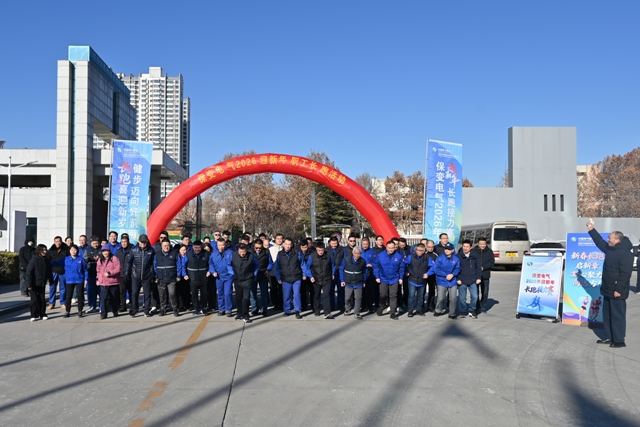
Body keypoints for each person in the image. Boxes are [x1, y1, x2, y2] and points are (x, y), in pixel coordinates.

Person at [587, 220, 633, 348]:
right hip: (607, 289)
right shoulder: (610, 249)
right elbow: (599, 242)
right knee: (607, 315)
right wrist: (591, 229)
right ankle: (609, 337)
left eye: (610, 238)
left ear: (617, 240)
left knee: (617, 315)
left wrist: (619, 290)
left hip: (617, 291)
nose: (608, 239)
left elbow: (625, 274)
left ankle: (619, 340)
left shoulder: (626, 254)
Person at [51, 244, 88, 318]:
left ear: (77, 251)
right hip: (69, 280)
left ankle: (80, 310)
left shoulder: (81, 259)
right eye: (72, 250)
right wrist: (45, 262)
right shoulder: (65, 259)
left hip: (79, 280)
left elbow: (85, 270)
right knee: (68, 296)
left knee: (80, 296)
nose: (73, 251)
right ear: (69, 251)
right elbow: (56, 263)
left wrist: (86, 279)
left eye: (75, 250)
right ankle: (67, 311)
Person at [125, 234, 156, 317]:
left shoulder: (151, 250)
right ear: (139, 242)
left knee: (147, 294)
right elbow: (128, 262)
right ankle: (135, 309)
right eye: (142, 242)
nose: (143, 243)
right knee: (134, 293)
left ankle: (146, 310)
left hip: (147, 276)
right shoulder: (133, 250)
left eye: (145, 242)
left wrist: (152, 273)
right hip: (135, 276)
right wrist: (127, 273)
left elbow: (153, 263)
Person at [373, 241, 405, 320]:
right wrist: (377, 277)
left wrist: (401, 278)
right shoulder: (380, 255)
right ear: (386, 247)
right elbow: (376, 266)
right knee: (383, 295)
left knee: (393, 295)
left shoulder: (399, 256)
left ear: (395, 247)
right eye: (389, 248)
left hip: (394, 279)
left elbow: (401, 268)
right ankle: (382, 306)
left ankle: (392, 312)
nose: (391, 250)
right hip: (383, 278)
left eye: (392, 248)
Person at [275, 237, 305, 319]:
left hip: (296, 277)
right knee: (286, 295)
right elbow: (277, 267)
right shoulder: (280, 254)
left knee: (297, 294)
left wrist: (304, 274)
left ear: (292, 245)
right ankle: (287, 310)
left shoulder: (297, 253)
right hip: (285, 278)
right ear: (283, 244)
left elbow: (302, 264)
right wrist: (278, 277)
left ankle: (297, 310)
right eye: (286, 244)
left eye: (289, 244)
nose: (288, 246)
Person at [431, 243, 460, 319]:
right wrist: (445, 275)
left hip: (452, 281)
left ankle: (452, 313)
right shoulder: (440, 258)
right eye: (446, 249)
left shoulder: (456, 259)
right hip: (441, 280)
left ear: (452, 250)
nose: (447, 250)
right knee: (440, 298)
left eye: (449, 249)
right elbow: (436, 269)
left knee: (453, 298)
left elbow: (457, 268)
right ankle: (438, 310)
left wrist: (452, 274)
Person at [182, 240, 211, 316]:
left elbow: (211, 264)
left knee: (204, 294)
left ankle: (203, 308)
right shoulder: (188, 254)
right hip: (192, 278)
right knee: (194, 295)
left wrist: (209, 271)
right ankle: (196, 309)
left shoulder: (206, 254)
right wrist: (184, 274)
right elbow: (183, 265)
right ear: (193, 247)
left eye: (199, 248)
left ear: (202, 247)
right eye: (195, 248)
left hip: (204, 277)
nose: (197, 249)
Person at [231, 243, 258, 323]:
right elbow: (229, 265)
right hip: (237, 279)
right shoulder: (233, 255)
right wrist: (232, 273)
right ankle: (239, 313)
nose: (242, 253)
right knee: (238, 297)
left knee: (246, 298)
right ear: (238, 250)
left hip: (247, 279)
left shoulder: (251, 256)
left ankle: (246, 315)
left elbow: (256, 265)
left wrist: (254, 274)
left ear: (246, 250)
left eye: (244, 251)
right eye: (240, 251)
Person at [307, 241, 335, 319]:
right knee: (316, 295)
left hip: (327, 278)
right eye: (319, 250)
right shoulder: (312, 256)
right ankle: (317, 310)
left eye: (322, 250)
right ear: (316, 249)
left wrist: (332, 274)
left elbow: (333, 265)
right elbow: (307, 267)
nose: (320, 252)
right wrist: (310, 276)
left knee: (326, 295)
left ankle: (327, 312)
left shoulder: (329, 255)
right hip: (316, 278)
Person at [26, 244, 53, 321]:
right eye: (43, 250)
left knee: (42, 299)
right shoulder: (34, 260)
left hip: (42, 283)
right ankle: (33, 315)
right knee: (34, 300)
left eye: (45, 250)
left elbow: (49, 271)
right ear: (39, 251)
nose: (45, 251)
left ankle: (42, 314)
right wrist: (29, 284)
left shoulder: (46, 260)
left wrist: (51, 281)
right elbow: (29, 273)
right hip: (33, 284)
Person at [154, 239, 181, 317]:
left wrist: (178, 275)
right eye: (164, 246)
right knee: (162, 295)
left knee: (172, 294)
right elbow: (154, 266)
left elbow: (178, 265)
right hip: (161, 278)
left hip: (172, 278)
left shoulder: (174, 253)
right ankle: (163, 309)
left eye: (168, 245)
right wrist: (156, 276)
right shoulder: (157, 254)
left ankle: (175, 309)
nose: (166, 247)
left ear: (170, 245)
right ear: (161, 246)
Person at [456, 240, 482, 319]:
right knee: (462, 298)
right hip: (462, 280)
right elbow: (455, 268)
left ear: (471, 247)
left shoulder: (475, 255)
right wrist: (458, 279)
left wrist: (478, 278)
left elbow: (478, 267)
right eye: (464, 246)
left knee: (475, 296)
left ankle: (472, 310)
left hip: (473, 280)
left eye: (467, 246)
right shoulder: (458, 256)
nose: (465, 248)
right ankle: (462, 311)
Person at [404, 243, 431, 317]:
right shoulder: (411, 257)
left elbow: (433, 267)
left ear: (424, 251)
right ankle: (410, 310)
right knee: (411, 296)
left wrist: (428, 273)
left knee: (420, 296)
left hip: (422, 280)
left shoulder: (428, 258)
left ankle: (419, 309)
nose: (418, 251)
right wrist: (407, 271)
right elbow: (404, 264)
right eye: (417, 250)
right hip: (412, 279)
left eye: (420, 250)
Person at [210, 238, 234, 317]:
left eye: (222, 245)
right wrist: (213, 271)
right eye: (219, 245)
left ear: (225, 245)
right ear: (217, 246)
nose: (221, 247)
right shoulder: (213, 254)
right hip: (219, 277)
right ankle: (221, 309)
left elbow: (234, 263)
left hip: (228, 277)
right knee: (220, 294)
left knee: (227, 293)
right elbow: (211, 264)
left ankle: (228, 310)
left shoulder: (230, 253)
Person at [340, 247, 366, 319]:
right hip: (348, 282)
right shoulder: (346, 260)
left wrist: (364, 281)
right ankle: (347, 309)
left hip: (358, 282)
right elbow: (341, 270)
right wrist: (342, 280)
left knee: (358, 298)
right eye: (355, 253)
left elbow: (364, 272)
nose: (357, 255)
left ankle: (357, 312)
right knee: (347, 298)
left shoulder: (363, 261)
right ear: (353, 253)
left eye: (359, 253)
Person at [96, 244, 121, 319]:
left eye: (106, 251)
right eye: (103, 251)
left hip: (113, 282)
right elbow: (98, 271)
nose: (105, 253)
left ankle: (115, 311)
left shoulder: (114, 258)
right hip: (103, 283)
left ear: (109, 251)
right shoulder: (100, 260)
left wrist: (110, 273)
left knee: (113, 298)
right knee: (103, 298)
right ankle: (104, 314)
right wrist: (98, 279)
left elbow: (118, 268)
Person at [252, 238, 273, 316]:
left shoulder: (266, 252)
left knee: (264, 293)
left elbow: (270, 263)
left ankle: (264, 309)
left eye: (260, 248)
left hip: (263, 274)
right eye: (256, 248)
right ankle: (254, 309)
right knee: (253, 293)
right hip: (253, 275)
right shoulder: (250, 252)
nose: (258, 249)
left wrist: (268, 269)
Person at [474, 238, 495, 314]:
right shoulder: (473, 251)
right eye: (481, 244)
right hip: (475, 275)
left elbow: (492, 262)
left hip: (485, 275)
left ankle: (483, 306)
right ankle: (477, 306)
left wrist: (484, 267)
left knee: (485, 292)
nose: (482, 245)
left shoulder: (489, 251)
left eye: (484, 244)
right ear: (478, 244)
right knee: (475, 293)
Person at [47, 236, 69, 310]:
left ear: (61, 241)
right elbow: (48, 260)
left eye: (59, 241)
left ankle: (63, 302)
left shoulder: (66, 249)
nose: (58, 243)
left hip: (63, 271)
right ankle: (51, 303)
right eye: (56, 241)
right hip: (53, 271)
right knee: (52, 287)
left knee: (63, 288)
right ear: (54, 242)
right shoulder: (51, 250)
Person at [360, 237, 378, 313]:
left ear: (369, 244)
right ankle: (363, 306)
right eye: (363, 244)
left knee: (370, 292)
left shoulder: (372, 251)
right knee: (362, 292)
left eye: (366, 244)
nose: (365, 246)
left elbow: (376, 262)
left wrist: (371, 265)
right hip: (361, 274)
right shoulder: (359, 251)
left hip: (370, 274)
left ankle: (370, 306)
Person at [328, 237, 346, 312]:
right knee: (331, 290)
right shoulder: (327, 250)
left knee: (341, 290)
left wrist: (341, 267)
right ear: (330, 243)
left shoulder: (342, 250)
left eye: (335, 243)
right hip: (330, 273)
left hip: (340, 272)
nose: (334, 245)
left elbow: (344, 259)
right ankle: (331, 305)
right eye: (332, 243)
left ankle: (341, 305)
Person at [116, 235, 133, 312]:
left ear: (128, 242)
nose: (124, 243)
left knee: (131, 291)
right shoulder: (119, 251)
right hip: (121, 274)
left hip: (131, 274)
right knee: (122, 291)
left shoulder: (132, 250)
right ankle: (123, 306)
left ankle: (132, 306)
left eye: (125, 242)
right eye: (122, 242)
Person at [269, 233, 284, 310]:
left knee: (281, 289)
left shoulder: (285, 248)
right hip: (273, 271)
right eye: (278, 238)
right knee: (273, 288)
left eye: (281, 238)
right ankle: (275, 303)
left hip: (282, 271)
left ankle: (281, 303)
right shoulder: (271, 249)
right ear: (275, 239)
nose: (279, 240)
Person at [298, 239, 313, 312]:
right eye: (303, 247)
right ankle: (303, 305)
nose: (304, 249)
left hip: (311, 274)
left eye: (306, 247)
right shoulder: (298, 253)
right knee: (303, 291)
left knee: (312, 291)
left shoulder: (312, 253)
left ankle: (313, 306)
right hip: (301, 275)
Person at [424, 240, 438, 312]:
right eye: (429, 247)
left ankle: (431, 305)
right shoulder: (423, 254)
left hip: (433, 276)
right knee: (422, 291)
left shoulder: (436, 255)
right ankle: (422, 305)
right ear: (426, 246)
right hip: (424, 275)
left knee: (432, 291)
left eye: (432, 247)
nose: (430, 248)